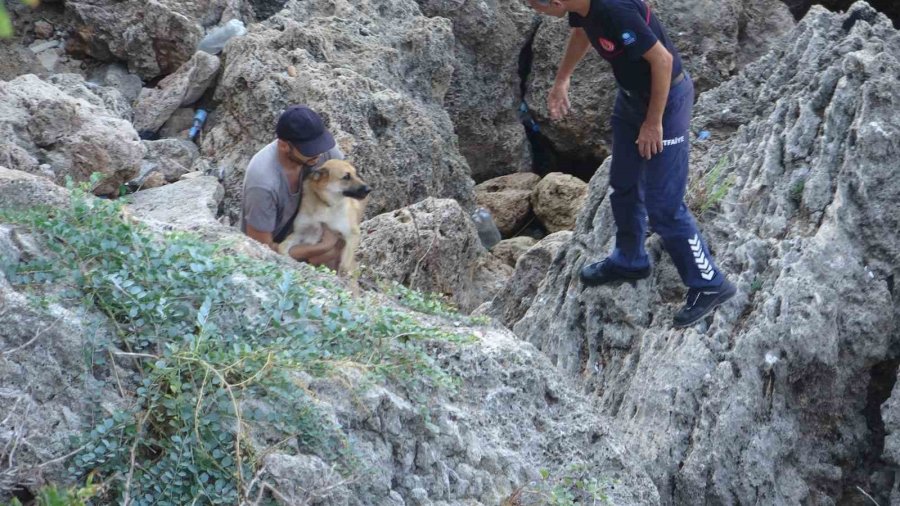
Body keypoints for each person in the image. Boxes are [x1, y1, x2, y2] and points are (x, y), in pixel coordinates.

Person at [526, 0, 736, 327]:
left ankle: (708, 283)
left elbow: (663, 61)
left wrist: (653, 123)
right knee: (623, 183)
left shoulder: (613, 9)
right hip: (629, 100)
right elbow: (583, 30)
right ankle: (630, 259)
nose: (533, 11)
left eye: (532, 5)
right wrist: (562, 78)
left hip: (666, 102)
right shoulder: (581, 6)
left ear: (554, 1)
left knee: (663, 204)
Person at [241, 105, 345, 268]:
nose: (317, 154)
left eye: (318, 144)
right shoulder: (263, 182)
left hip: (309, 233)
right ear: (284, 146)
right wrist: (322, 246)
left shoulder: (324, 154)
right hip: (273, 254)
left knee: (342, 248)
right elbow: (261, 251)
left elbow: (346, 197)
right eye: (308, 149)